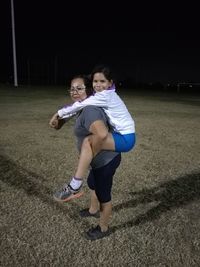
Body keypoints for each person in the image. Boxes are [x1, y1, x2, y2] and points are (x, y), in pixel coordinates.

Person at [50, 74, 122, 240]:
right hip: (94, 160)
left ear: (88, 90)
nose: (74, 91)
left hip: (106, 160)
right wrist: (57, 122)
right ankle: (92, 210)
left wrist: (89, 150)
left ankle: (103, 228)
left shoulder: (90, 110)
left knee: (104, 194)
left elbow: (102, 135)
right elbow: (64, 121)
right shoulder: (80, 106)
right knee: (92, 183)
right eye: (72, 88)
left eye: (79, 88)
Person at [49, 65, 136, 202]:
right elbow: (77, 107)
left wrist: (58, 113)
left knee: (88, 142)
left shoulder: (101, 99)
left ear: (110, 83)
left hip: (124, 140)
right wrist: (61, 119)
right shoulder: (98, 98)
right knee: (94, 184)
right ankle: (91, 208)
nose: (98, 85)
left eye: (102, 81)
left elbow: (99, 132)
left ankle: (74, 186)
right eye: (96, 81)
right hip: (122, 137)